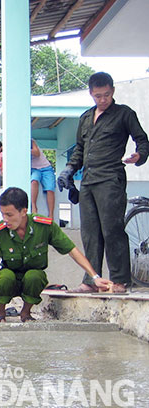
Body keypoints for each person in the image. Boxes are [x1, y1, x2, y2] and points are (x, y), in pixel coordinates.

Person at [57, 72, 149, 293]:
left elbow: (142, 140)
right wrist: (69, 170)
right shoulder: (86, 118)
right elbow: (79, 149)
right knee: (90, 232)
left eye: (107, 95)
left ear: (113, 91)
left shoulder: (124, 114)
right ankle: (91, 279)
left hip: (111, 178)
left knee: (112, 229)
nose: (103, 100)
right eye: (98, 96)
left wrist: (139, 155)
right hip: (87, 181)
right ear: (91, 93)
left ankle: (119, 280)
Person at [0, 187, 113, 322]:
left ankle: (26, 313)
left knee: (35, 276)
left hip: (32, 279)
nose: (5, 219)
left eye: (9, 215)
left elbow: (72, 250)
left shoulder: (43, 226)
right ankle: (0, 313)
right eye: (3, 214)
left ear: (24, 211)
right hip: (9, 278)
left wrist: (95, 277)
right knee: (5, 276)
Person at [30, 139, 56, 218]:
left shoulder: (31, 141)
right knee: (34, 181)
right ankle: (34, 207)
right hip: (34, 169)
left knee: (50, 188)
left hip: (46, 168)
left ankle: (51, 214)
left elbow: (37, 153)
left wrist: (24, 148)